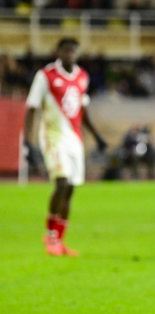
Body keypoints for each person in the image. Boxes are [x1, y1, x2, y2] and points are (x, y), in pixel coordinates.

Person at [24, 37, 107, 256]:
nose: (70, 54)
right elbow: (32, 107)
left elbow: (83, 110)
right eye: (66, 50)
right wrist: (27, 142)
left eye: (73, 51)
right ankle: (50, 237)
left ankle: (60, 241)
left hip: (74, 138)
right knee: (61, 183)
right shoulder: (46, 75)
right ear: (58, 52)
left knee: (70, 189)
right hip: (53, 136)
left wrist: (97, 136)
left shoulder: (82, 76)